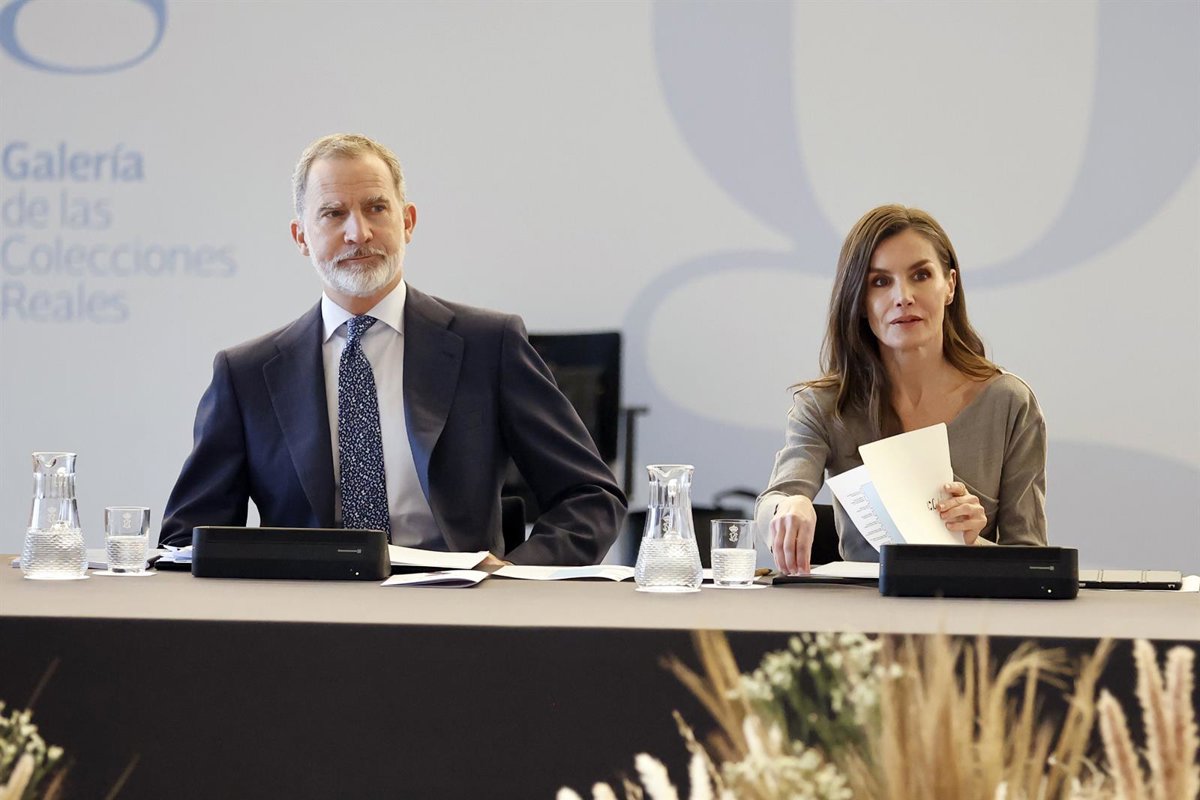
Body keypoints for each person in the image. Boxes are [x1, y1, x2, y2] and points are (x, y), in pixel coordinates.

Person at [159, 133, 626, 566]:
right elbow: (187, 538)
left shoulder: (490, 344)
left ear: (407, 222)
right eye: (333, 214)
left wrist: (512, 578)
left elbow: (590, 496)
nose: (358, 233)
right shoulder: (246, 374)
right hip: (304, 612)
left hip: (458, 611)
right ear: (301, 237)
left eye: (376, 208)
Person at [757, 205, 1047, 575]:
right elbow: (773, 501)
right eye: (880, 282)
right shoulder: (823, 406)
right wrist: (789, 506)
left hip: (971, 605)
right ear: (859, 301)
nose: (903, 296)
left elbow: (1034, 563)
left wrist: (973, 543)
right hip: (859, 609)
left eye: (921, 275)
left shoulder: (1010, 402)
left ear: (950, 286)